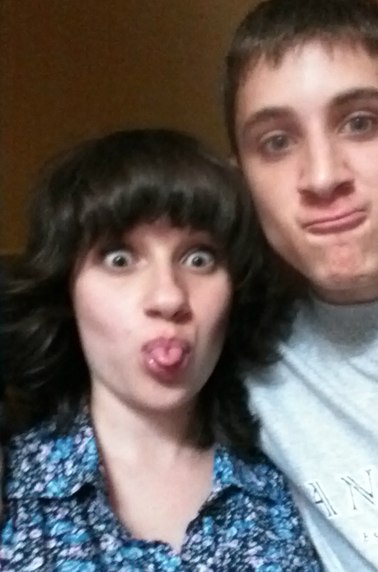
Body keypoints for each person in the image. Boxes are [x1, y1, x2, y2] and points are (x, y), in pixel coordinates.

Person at [0, 129, 322, 570]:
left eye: (199, 259)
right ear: (66, 293)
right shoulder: (14, 488)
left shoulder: (295, 480)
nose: (169, 297)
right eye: (119, 259)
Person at [224, 0, 378, 572]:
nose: (323, 177)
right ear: (244, 180)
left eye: (359, 122)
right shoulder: (236, 358)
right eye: (277, 142)